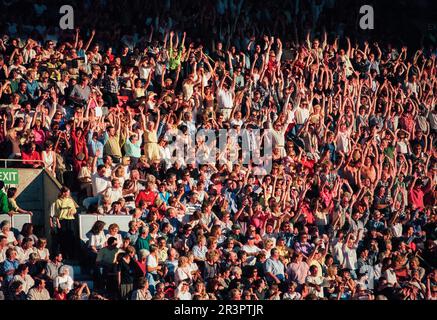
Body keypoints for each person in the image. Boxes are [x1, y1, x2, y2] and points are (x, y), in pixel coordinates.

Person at [53, 186, 77, 259]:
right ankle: (64, 255)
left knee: (71, 237)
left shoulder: (70, 200)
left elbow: (75, 210)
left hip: (70, 220)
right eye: (67, 192)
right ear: (63, 193)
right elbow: (56, 214)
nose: (68, 193)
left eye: (69, 192)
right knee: (63, 239)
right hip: (62, 221)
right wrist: (58, 223)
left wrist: (72, 211)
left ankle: (71, 255)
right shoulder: (58, 201)